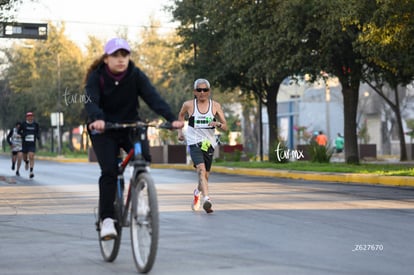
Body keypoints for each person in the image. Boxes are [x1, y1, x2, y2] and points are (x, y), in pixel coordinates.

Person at [84, 38, 184, 240]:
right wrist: (97, 119)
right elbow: (90, 101)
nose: (121, 60)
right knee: (110, 171)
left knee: (144, 158)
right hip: (104, 129)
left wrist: (172, 119)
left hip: (131, 126)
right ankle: (107, 220)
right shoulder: (97, 77)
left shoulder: (135, 75)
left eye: (124, 55)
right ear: (106, 59)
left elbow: (153, 97)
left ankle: (140, 195)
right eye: (115, 55)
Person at [177, 78, 227, 214]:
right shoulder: (188, 105)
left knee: (205, 176)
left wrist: (217, 124)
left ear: (209, 91)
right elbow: (181, 116)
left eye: (205, 90)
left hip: (208, 143)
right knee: (200, 170)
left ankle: (197, 192)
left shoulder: (215, 106)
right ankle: (207, 200)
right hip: (194, 142)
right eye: (199, 90)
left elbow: (225, 126)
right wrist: (180, 132)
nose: (202, 93)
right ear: (194, 92)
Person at [19, 112, 40, 178]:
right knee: (24, 157)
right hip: (25, 144)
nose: (30, 118)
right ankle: (26, 162)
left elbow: (38, 131)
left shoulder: (35, 124)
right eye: (29, 116)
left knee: (31, 156)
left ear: (33, 117)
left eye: (31, 116)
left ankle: (31, 171)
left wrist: (37, 136)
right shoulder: (23, 124)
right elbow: (18, 131)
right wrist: (23, 135)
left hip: (32, 143)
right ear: (26, 117)